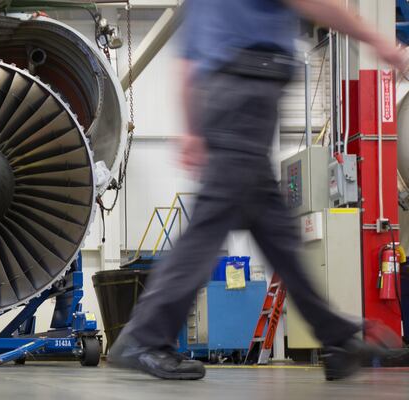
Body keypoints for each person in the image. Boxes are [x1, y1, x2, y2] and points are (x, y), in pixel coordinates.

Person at [108, 0, 407, 381]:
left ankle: (338, 337)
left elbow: (186, 63)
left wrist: (192, 127)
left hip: (229, 97)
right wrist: (378, 40)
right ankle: (145, 336)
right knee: (211, 223)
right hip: (247, 93)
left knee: (275, 231)